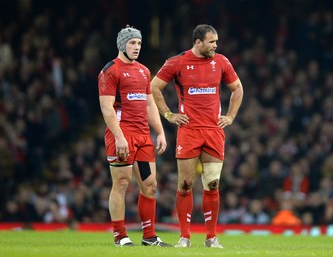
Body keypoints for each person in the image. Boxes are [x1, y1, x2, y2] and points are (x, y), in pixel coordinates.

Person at [151, 24, 244, 248]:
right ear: (198, 42)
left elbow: (238, 88)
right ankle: (185, 237)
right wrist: (168, 114)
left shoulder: (221, 62)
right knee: (185, 184)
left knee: (212, 184)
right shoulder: (177, 62)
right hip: (189, 131)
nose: (216, 46)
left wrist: (230, 117)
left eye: (216, 42)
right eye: (212, 42)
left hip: (213, 131)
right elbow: (154, 87)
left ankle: (211, 238)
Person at [98, 25, 170, 247]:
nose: (137, 47)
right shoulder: (110, 71)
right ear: (122, 45)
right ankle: (120, 236)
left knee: (150, 185)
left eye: (139, 43)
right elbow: (107, 108)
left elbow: (149, 103)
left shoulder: (144, 71)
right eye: (132, 43)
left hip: (142, 136)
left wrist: (160, 131)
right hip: (122, 134)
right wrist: (118, 136)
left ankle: (149, 236)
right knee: (121, 183)